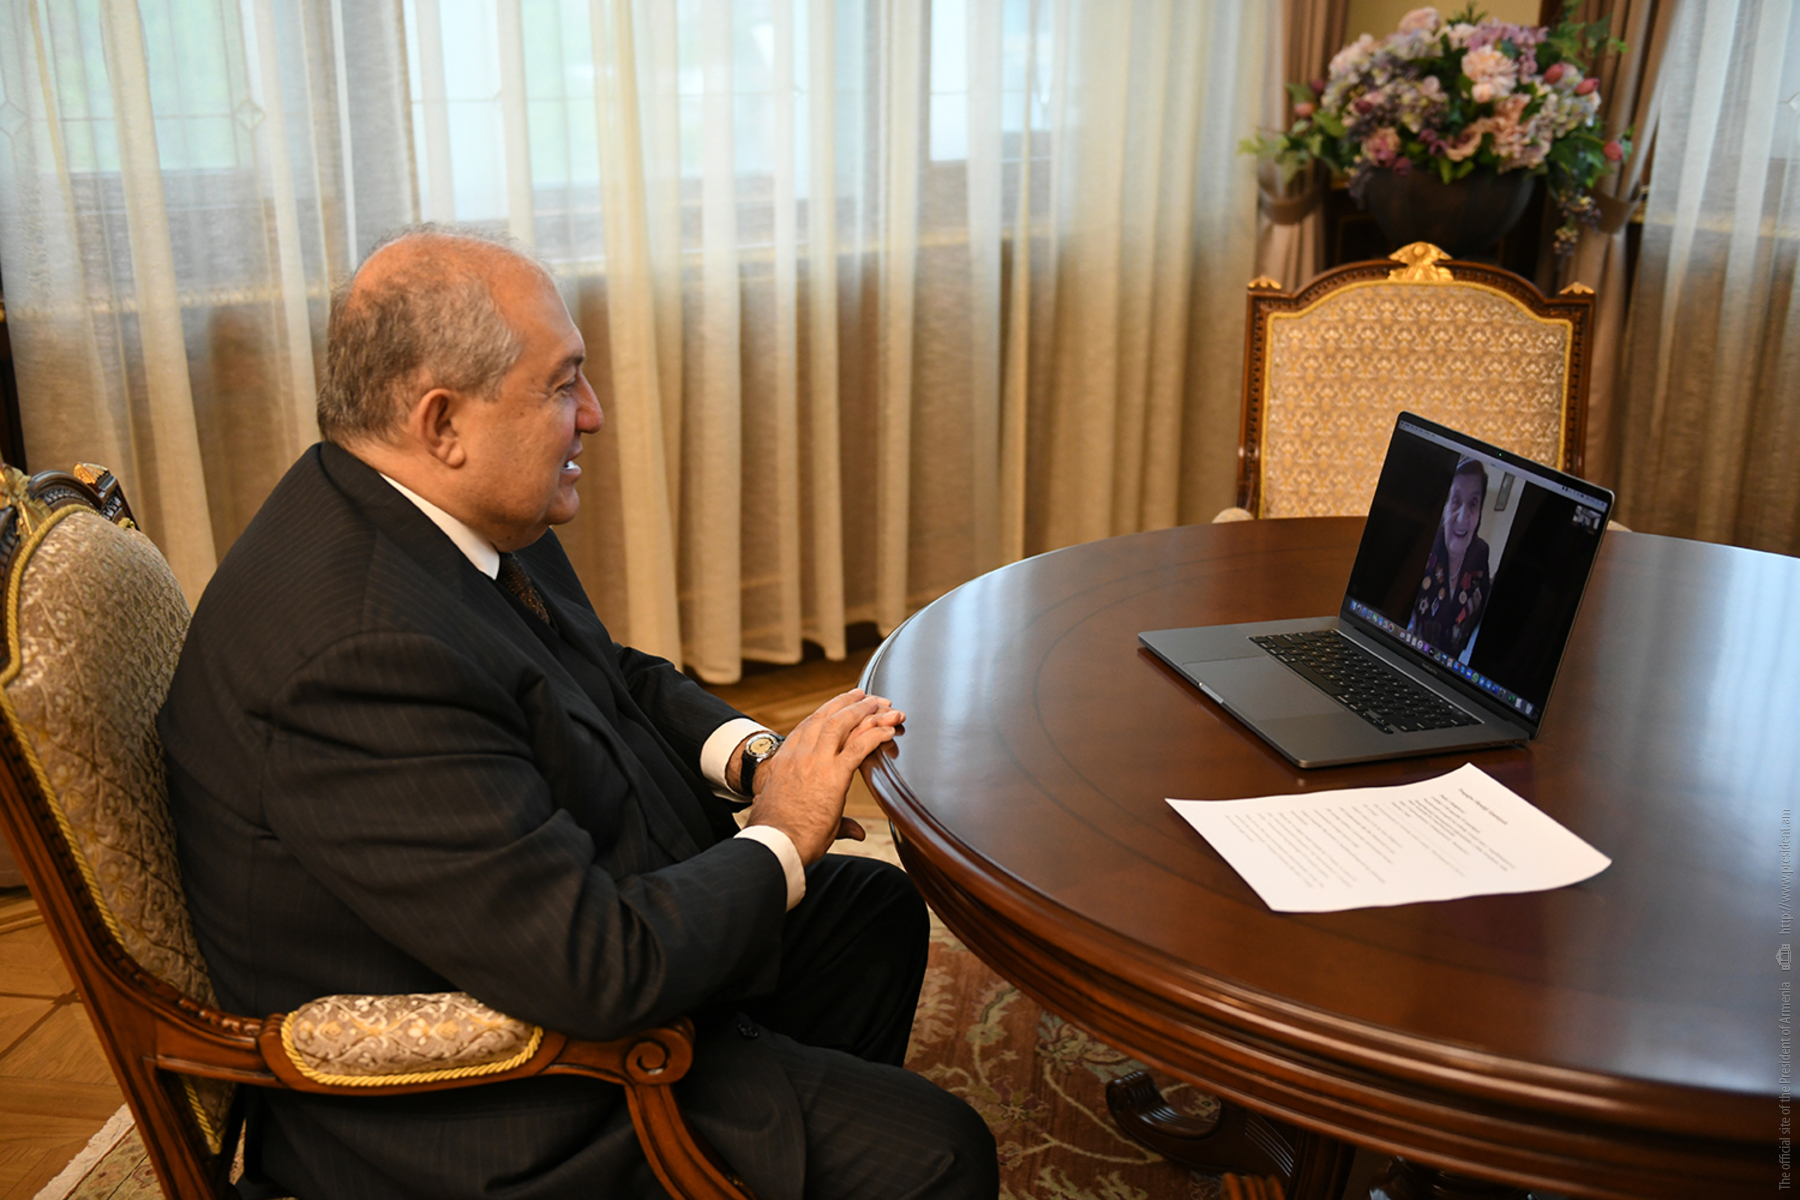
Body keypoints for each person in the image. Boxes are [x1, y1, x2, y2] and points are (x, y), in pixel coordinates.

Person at [158, 225, 997, 1200]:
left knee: (870, 914)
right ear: (443, 422)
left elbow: (609, 673)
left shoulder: (438, 506)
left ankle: (768, 1131)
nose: (593, 414)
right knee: (941, 1152)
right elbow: (597, 966)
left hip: (543, 935)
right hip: (481, 1108)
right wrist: (780, 831)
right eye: (562, 386)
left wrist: (756, 758)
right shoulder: (359, 653)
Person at [1407, 456, 1492, 659]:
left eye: (1473, 503)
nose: (1463, 518)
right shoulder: (1423, 546)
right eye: (1456, 501)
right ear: (1444, 507)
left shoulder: (1481, 551)